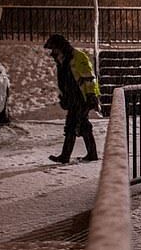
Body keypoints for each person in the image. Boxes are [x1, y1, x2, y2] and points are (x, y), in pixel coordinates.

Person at [43, 34, 101, 163]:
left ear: (60, 47)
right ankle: (91, 153)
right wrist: (64, 97)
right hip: (74, 98)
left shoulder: (77, 57)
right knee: (83, 125)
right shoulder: (62, 60)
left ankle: (66, 156)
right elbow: (65, 82)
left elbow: (89, 78)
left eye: (54, 49)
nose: (52, 52)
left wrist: (91, 95)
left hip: (82, 98)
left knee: (71, 125)